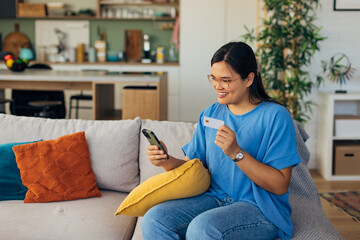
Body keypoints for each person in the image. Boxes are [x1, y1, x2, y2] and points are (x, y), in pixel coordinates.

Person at [142, 42, 301, 240]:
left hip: (261, 209)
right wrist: (166, 160)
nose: (218, 86)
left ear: (249, 78)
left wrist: (236, 153)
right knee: (154, 219)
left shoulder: (276, 116)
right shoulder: (210, 114)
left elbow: (280, 185)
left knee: (202, 229)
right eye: (214, 78)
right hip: (214, 199)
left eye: (226, 80)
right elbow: (193, 168)